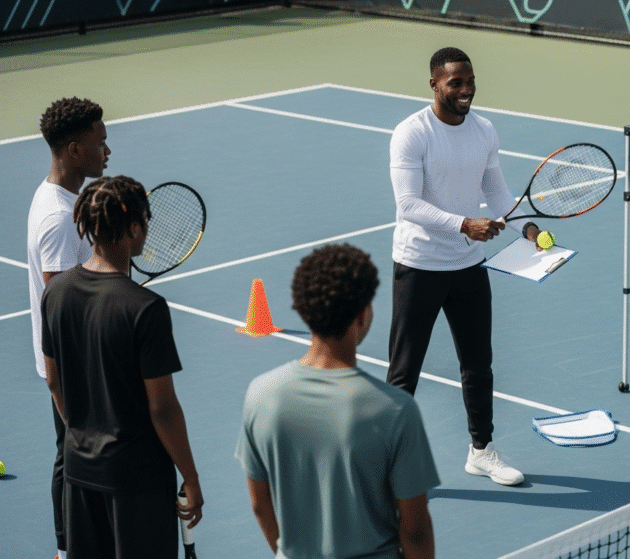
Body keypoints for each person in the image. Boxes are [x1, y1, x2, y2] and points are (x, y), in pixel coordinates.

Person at [386, 46, 544, 486]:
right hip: (418, 266)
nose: (466, 90)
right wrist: (464, 224)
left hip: (468, 267)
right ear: (434, 84)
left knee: (478, 365)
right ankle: (388, 463)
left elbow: (497, 194)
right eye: (455, 83)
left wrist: (528, 229)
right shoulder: (411, 133)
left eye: (470, 81)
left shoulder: (484, 130)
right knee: (404, 373)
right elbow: (407, 204)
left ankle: (481, 451)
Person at [236, 244, 440, 558]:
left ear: (304, 311)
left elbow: (259, 505)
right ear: (363, 314)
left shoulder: (261, 394)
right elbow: (415, 529)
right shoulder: (396, 410)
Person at [41, 175, 203, 558]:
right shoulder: (146, 309)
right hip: (138, 482)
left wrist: (83, 437)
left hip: (79, 474)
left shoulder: (55, 293)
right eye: (145, 221)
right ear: (132, 228)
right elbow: (162, 408)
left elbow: (53, 382)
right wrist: (191, 477)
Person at [26, 96, 110, 559]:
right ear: (76, 150)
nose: (107, 150)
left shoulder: (59, 198)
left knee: (71, 453)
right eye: (101, 142)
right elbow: (63, 308)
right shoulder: (60, 218)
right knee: (73, 456)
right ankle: (67, 549)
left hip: (71, 364)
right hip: (74, 367)